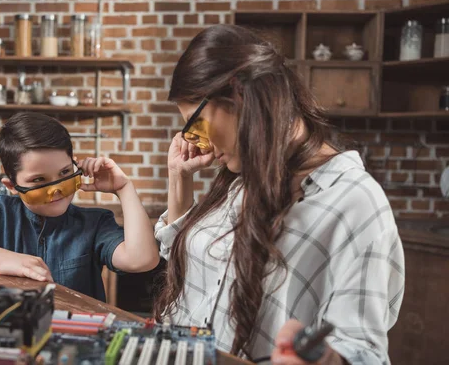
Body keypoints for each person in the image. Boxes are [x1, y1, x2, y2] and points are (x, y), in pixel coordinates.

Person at [153, 25, 404, 365]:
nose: (199, 141)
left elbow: (364, 352)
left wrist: (324, 359)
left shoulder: (354, 202)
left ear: (239, 97)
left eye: (195, 125)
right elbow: (190, 269)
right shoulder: (243, 179)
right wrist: (178, 178)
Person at [0, 112, 159, 302]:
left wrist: (124, 188)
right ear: (12, 185)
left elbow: (142, 260)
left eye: (64, 173)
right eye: (39, 180)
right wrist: (1, 258)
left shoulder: (95, 224)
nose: (56, 189)